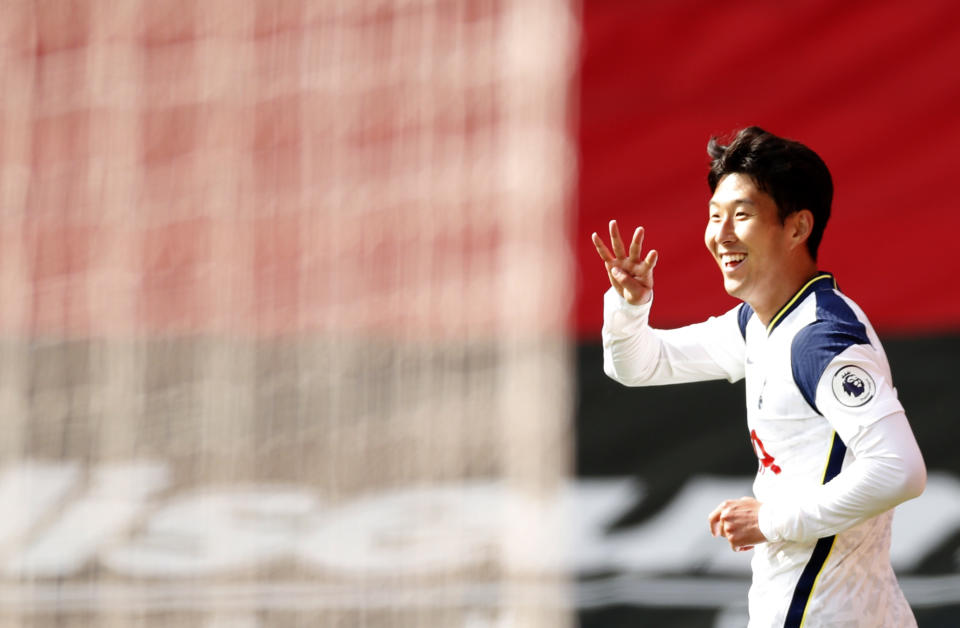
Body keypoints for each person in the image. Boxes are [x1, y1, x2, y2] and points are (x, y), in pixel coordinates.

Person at [591, 126, 926, 627]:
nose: (721, 234)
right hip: (844, 603)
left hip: (819, 610)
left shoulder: (819, 338)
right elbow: (639, 365)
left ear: (797, 228)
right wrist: (629, 306)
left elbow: (900, 469)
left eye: (742, 215)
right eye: (714, 215)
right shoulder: (761, 322)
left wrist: (769, 519)